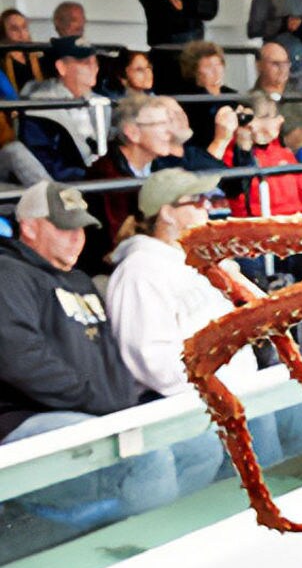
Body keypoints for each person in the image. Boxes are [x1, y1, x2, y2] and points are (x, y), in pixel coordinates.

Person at [105, 167, 302, 468]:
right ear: (167, 213)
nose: (206, 207)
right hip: (196, 405)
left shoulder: (201, 261)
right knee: (268, 444)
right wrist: (217, 390)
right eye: (196, 201)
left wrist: (234, 277)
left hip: (244, 387)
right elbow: (150, 360)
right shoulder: (139, 271)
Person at [0, 181, 188, 527]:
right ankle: (132, 544)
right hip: (27, 420)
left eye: (81, 228)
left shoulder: (81, 281)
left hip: (97, 413)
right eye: (63, 227)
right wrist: (100, 404)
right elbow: (20, 358)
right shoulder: (8, 274)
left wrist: (121, 408)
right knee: (147, 460)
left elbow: (109, 354)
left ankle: (125, 527)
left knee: (199, 443)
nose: (76, 237)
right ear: (29, 226)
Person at [84, 94, 175, 258]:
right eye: (160, 125)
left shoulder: (164, 165)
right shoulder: (106, 177)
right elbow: (116, 248)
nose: (170, 132)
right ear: (133, 133)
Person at [19, 35, 109, 183]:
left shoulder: (102, 102)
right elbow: (47, 162)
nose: (94, 68)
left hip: (102, 183)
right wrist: (89, 177)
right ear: (62, 67)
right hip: (69, 188)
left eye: (95, 62)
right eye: (86, 62)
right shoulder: (40, 108)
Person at [177, 40, 239, 152]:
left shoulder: (233, 95)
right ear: (195, 70)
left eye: (218, 64)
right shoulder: (190, 101)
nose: (216, 71)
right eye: (208, 66)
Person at [249, 40, 302, 140]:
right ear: (259, 65)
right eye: (275, 64)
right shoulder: (248, 101)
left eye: (286, 63)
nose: (282, 69)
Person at [1, 8, 45, 93]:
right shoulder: (1, 61)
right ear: (3, 34)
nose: (22, 33)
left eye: (24, 27)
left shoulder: (40, 56)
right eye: (14, 29)